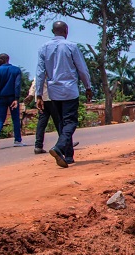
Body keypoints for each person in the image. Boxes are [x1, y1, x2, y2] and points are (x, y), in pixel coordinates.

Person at [36, 21, 93, 168]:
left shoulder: (44, 48)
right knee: (71, 122)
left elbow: (40, 73)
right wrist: (88, 86)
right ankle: (59, 148)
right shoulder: (71, 47)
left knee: (61, 123)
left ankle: (68, 156)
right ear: (66, 31)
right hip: (69, 90)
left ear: (53, 31)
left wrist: (39, 94)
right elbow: (82, 69)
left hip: (53, 92)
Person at [0, 53, 24, 148]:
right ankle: (17, 140)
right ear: (8, 59)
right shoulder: (16, 70)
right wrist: (16, 99)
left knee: (0, 119)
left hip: (0, 98)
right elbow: (17, 85)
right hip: (12, 97)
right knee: (15, 119)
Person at [25, 79, 62, 154]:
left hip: (41, 98)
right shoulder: (54, 68)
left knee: (42, 122)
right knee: (59, 121)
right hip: (53, 97)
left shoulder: (41, 68)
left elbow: (36, 81)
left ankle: (38, 146)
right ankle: (65, 142)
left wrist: (31, 94)